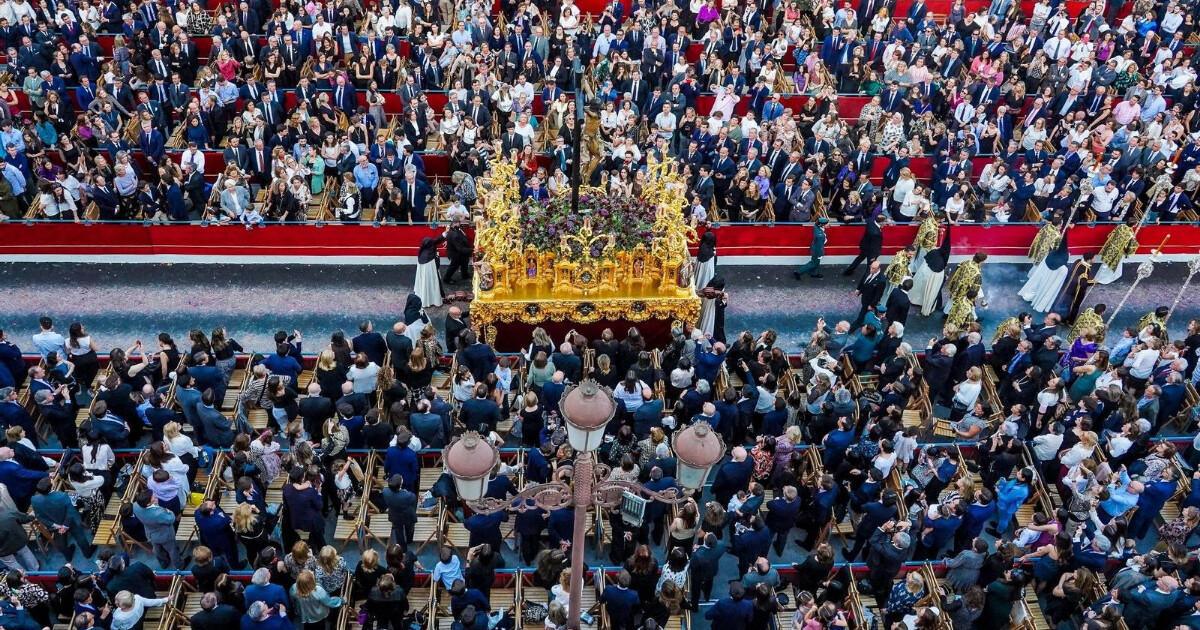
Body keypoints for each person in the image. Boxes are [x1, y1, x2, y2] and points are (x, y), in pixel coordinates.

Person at [1019, 226, 1072, 312]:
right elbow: (1055, 286)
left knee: (1036, 283)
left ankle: (1028, 295)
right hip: (1048, 284)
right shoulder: (1063, 269)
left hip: (1041, 275)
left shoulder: (1049, 255)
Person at [414, 237, 445, 308]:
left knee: (425, 284)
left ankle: (425, 299)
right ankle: (434, 300)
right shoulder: (431, 256)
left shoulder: (421, 253)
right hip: (432, 275)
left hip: (424, 276)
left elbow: (435, 241)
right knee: (432, 285)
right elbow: (437, 266)